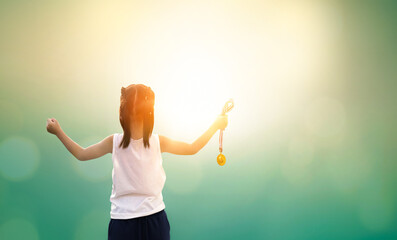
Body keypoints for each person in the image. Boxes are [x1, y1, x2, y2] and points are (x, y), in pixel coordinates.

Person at [46, 83, 228, 240]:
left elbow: (191, 148)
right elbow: (82, 154)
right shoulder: (116, 142)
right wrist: (58, 132)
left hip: (149, 218)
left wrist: (215, 125)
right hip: (127, 220)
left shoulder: (154, 142)